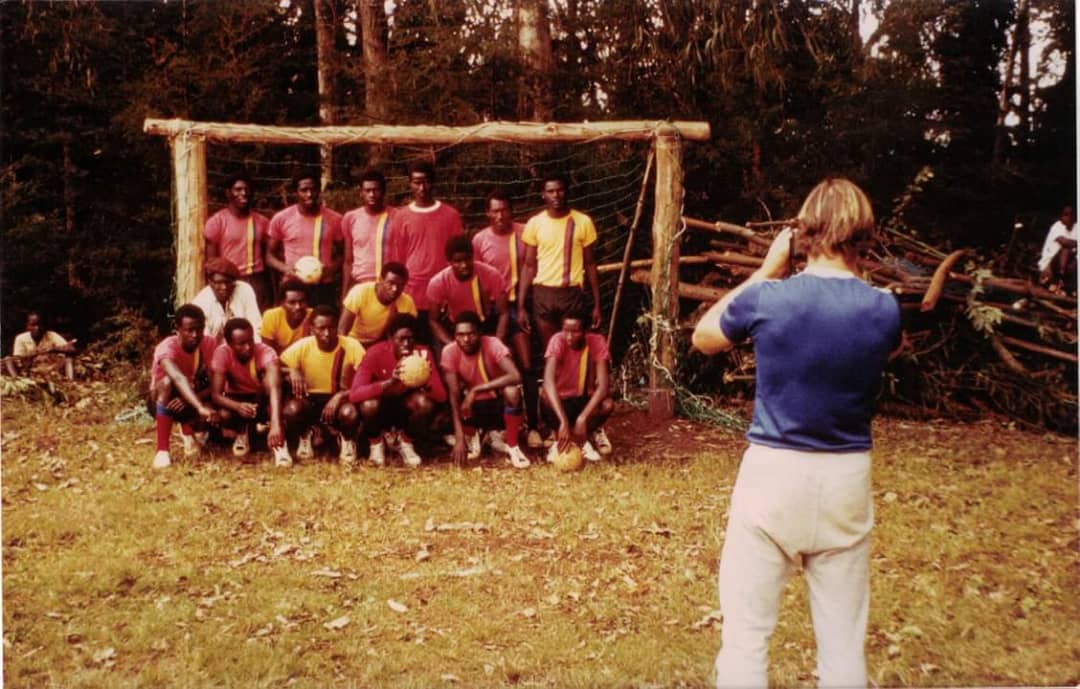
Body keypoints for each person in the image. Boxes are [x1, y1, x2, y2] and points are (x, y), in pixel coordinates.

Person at [691, 178, 901, 688]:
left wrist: (766, 270)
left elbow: (703, 337)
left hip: (774, 473)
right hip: (846, 476)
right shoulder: (884, 309)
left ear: (800, 232)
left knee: (746, 639)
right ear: (864, 234)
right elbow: (887, 348)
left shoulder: (769, 297)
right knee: (842, 646)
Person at [472, 190, 541, 446]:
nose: (500, 216)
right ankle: (489, 427)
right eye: (495, 211)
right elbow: (477, 278)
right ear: (487, 213)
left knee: (526, 366)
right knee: (488, 366)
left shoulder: (525, 233)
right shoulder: (479, 239)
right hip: (492, 310)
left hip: (519, 306)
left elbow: (532, 267)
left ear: (511, 211)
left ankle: (533, 427)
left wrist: (523, 306)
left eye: (504, 210)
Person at [518, 173, 603, 355]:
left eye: (560, 190)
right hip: (544, 294)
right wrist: (521, 306)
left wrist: (597, 304)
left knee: (573, 349)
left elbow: (590, 264)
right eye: (550, 191)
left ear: (567, 192)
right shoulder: (535, 223)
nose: (556, 195)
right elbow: (528, 265)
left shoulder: (583, 222)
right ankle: (552, 374)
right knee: (551, 350)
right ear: (543, 194)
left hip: (571, 294)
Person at [348, 314, 446, 467]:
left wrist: (425, 383)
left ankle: (405, 442)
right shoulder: (375, 353)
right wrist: (388, 383)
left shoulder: (423, 354)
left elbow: (441, 396)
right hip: (380, 408)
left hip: (406, 409)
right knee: (369, 405)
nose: (406, 344)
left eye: (410, 339)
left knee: (425, 403)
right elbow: (354, 394)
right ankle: (376, 443)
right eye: (401, 339)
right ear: (390, 338)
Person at [441, 311, 530, 468]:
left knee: (512, 391)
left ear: (480, 333)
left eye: (471, 334)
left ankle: (513, 446)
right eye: (460, 335)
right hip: (471, 408)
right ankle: (474, 434)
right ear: (455, 335)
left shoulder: (492, 344)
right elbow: (454, 395)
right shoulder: (449, 351)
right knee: (452, 398)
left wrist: (476, 389)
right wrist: (459, 437)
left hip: (496, 404)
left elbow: (515, 375)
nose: (466, 339)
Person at [387, 160, 464, 342]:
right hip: (412, 294)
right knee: (416, 346)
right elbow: (398, 260)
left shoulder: (451, 215)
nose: (422, 188)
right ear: (410, 183)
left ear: (433, 183)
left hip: (443, 294)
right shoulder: (400, 217)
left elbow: (458, 259)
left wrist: (452, 291)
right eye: (417, 182)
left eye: (426, 182)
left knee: (444, 346)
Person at [279, 305, 365, 465]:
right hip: (309, 399)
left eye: (331, 328)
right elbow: (272, 366)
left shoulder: (352, 346)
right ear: (312, 329)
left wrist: (340, 395)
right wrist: (291, 370)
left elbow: (366, 380)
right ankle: (306, 434)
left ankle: (346, 439)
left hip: (340, 399)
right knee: (291, 410)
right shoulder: (303, 345)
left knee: (350, 413)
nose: (326, 333)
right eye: (321, 328)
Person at [210, 318, 292, 467]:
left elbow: (275, 387)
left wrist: (276, 424)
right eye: (241, 344)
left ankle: (280, 442)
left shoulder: (265, 351)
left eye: (250, 341)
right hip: (237, 398)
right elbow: (216, 395)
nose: (248, 347)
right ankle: (243, 430)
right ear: (229, 343)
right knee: (224, 415)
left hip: (262, 397)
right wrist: (237, 407)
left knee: (271, 384)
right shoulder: (222, 353)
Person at [149, 304, 220, 469]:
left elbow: (216, 383)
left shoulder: (209, 343)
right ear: (178, 329)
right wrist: (199, 407)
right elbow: (177, 378)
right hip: (163, 398)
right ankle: (162, 451)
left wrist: (193, 401)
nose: (195, 335)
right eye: (189, 330)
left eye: (199, 329)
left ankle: (190, 431)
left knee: (213, 411)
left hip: (190, 397)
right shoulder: (167, 347)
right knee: (167, 382)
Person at [540, 310, 614, 463]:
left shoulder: (597, 341)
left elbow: (603, 386)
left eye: (575, 332)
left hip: (583, 399)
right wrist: (563, 421)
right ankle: (560, 436)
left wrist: (582, 418)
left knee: (607, 405)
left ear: (585, 331)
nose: (569, 336)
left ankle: (582, 437)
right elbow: (548, 381)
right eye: (565, 330)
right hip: (561, 401)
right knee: (545, 396)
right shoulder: (557, 340)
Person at [266, 172, 344, 307]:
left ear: (319, 190)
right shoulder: (281, 218)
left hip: (323, 286)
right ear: (295, 192)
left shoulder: (335, 219)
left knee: (323, 319)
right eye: (304, 190)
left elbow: (344, 253)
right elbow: (269, 256)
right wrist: (285, 268)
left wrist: (331, 269)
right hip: (293, 287)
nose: (309, 194)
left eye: (313, 189)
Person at [203, 171, 273, 310]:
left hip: (256, 280)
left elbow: (268, 256)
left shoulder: (262, 222)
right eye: (238, 189)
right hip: (230, 280)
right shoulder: (216, 222)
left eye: (247, 189)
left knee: (258, 317)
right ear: (228, 193)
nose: (244, 193)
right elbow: (212, 262)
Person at [426, 235, 508, 346]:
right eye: (458, 261)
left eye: (467, 259)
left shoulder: (491, 274)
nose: (464, 265)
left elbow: (504, 313)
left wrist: (497, 343)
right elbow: (433, 320)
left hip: (486, 324)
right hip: (455, 327)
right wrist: (451, 345)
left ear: (473, 256)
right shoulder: (438, 282)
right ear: (449, 262)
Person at [341, 169, 398, 294]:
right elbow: (348, 261)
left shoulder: (397, 217)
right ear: (361, 192)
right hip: (360, 285)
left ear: (383, 191)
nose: (372, 195)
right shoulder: (350, 218)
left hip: (388, 286)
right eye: (367, 190)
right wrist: (345, 293)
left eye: (376, 190)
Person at [339, 262, 417, 346]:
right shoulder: (360, 292)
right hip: (353, 342)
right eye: (390, 283)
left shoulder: (407, 302)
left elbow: (409, 336)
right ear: (380, 280)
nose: (395, 289)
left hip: (380, 345)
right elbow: (342, 331)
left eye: (400, 285)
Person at [192, 257, 262, 345]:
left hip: (243, 347)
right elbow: (204, 340)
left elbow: (255, 326)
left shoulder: (244, 290)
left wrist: (254, 349)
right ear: (210, 282)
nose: (224, 287)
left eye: (228, 282)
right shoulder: (201, 303)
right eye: (219, 282)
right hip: (214, 350)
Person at [6, 311, 77, 380]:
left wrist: (53, 349)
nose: (37, 328)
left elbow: (72, 349)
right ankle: (17, 381)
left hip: (50, 368)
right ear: (27, 326)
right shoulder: (20, 338)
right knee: (8, 360)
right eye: (33, 325)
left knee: (68, 359)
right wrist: (32, 355)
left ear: (44, 325)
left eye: (40, 325)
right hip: (30, 369)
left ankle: (70, 383)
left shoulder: (51, 335)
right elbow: (17, 359)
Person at [259, 278, 312, 354]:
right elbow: (267, 352)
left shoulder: (313, 316)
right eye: (292, 302)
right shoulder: (271, 316)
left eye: (302, 301)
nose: (298, 307)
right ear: (282, 303)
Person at [1037, 205, 1076, 293]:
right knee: (1066, 249)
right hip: (1049, 264)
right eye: (1065, 214)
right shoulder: (1057, 226)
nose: (1068, 217)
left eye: (1070, 214)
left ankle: (1068, 285)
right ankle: (1060, 279)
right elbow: (1064, 242)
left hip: (1068, 265)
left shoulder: (1076, 227)